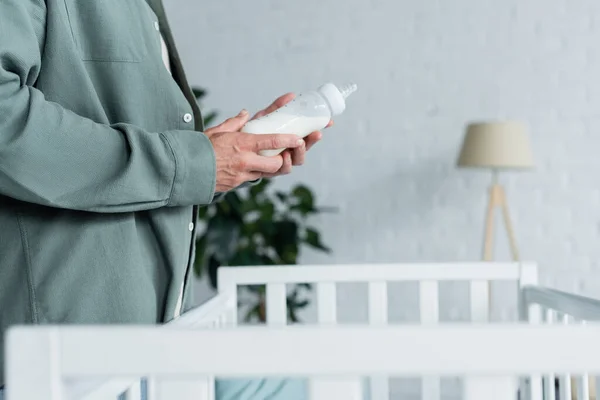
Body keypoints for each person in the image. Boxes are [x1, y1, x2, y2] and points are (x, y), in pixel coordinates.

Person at [0, 0, 330, 395]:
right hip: (71, 359)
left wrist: (231, 160)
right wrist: (192, 165)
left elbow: (154, 157)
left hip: (155, 338)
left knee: (313, 378)